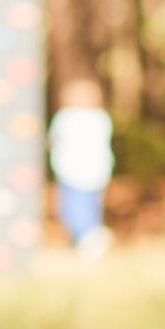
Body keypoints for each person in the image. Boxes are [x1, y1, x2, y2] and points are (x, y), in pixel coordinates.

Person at [48, 81, 116, 256]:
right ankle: (87, 239)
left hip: (71, 172)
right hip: (97, 172)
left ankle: (89, 240)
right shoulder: (101, 118)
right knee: (90, 207)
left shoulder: (65, 117)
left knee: (72, 209)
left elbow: (52, 140)